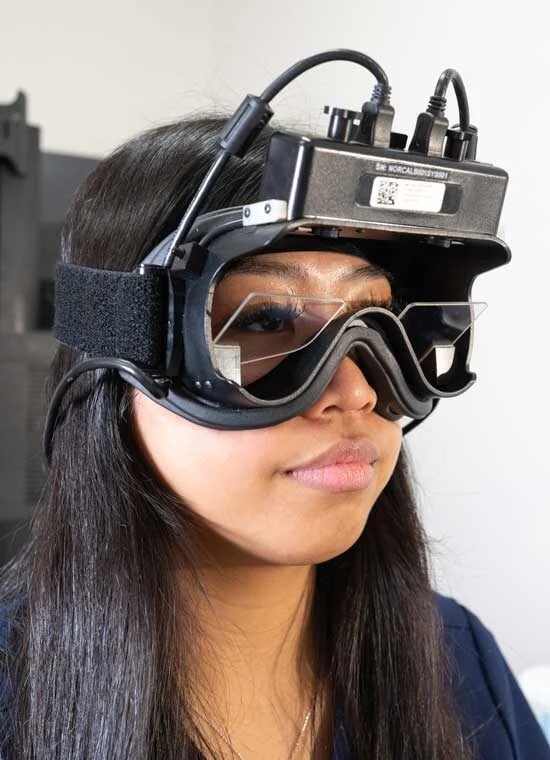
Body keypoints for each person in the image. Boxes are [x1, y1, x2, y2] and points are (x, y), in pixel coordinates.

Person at [0, 55, 549, 760]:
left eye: (378, 323)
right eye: (264, 320)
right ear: (121, 352)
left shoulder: (461, 662)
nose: (356, 391)